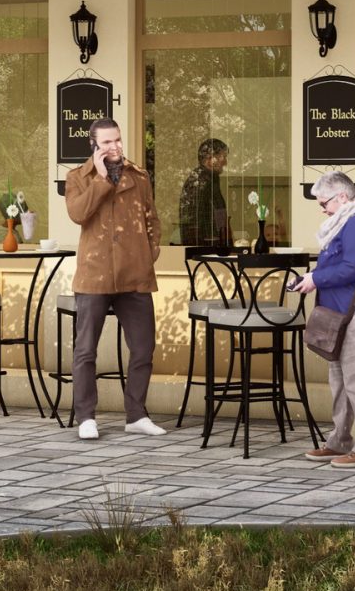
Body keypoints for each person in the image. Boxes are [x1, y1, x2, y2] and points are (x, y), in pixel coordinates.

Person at [62, 118, 165, 440]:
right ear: (94, 145)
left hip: (135, 274)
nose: (115, 146)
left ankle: (136, 415)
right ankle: (86, 417)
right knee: (86, 350)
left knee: (143, 348)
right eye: (107, 142)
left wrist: (148, 253)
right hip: (95, 274)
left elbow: (152, 219)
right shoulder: (78, 177)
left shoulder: (139, 175)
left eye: (117, 140)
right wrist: (101, 178)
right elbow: (78, 214)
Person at [290, 171, 355, 468]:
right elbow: (340, 264)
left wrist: (316, 279)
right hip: (345, 311)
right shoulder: (343, 222)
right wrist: (310, 278)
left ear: (343, 197)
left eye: (324, 203)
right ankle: (339, 441)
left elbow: (353, 267)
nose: (322, 209)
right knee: (340, 377)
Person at [176, 137, 232, 250]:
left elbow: (219, 213)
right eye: (223, 156)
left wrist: (226, 239)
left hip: (213, 246)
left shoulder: (210, 179)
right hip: (206, 248)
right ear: (210, 158)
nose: (225, 162)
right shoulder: (199, 181)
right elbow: (191, 222)